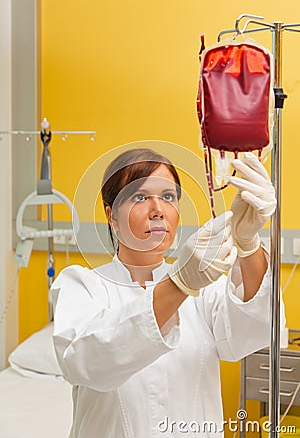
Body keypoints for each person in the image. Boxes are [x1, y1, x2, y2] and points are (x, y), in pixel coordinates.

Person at [51, 148, 284, 438]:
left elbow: (256, 329)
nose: (158, 209)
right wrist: (179, 284)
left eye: (168, 196)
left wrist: (247, 243)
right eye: (139, 196)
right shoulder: (81, 286)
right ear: (111, 215)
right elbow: (86, 363)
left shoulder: (204, 287)